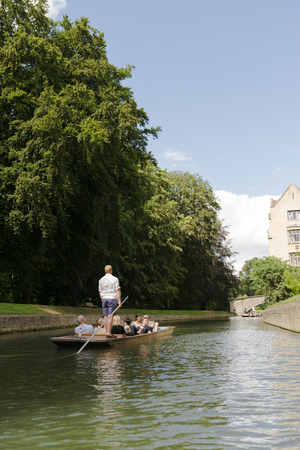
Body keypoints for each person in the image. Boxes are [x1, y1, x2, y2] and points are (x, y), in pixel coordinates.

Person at [98, 265, 122, 338]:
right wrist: (119, 301)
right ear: (111, 271)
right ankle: (108, 333)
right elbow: (117, 290)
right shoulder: (114, 279)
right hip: (112, 298)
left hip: (104, 298)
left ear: (105, 271)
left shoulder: (101, 280)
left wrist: (103, 300)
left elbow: (100, 291)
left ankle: (107, 332)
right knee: (110, 316)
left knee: (105, 316)